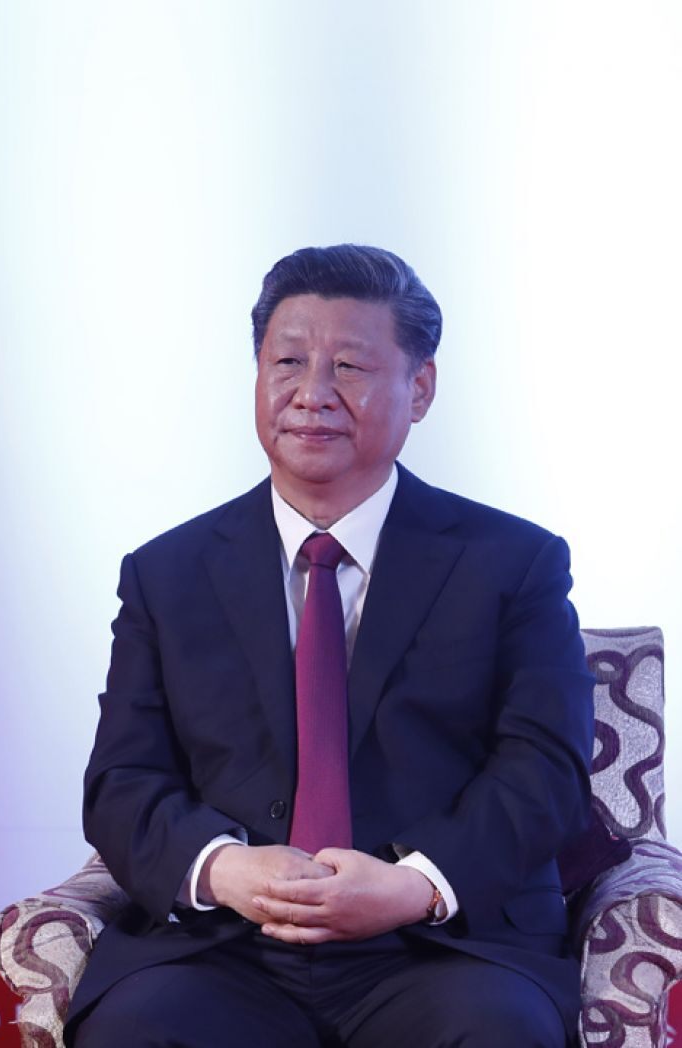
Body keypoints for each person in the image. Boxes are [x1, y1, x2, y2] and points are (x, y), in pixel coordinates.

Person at [68, 244, 594, 1047]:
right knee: (138, 1030)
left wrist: (413, 884)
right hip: (223, 949)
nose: (311, 394)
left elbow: (545, 770)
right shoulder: (165, 574)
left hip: (443, 948)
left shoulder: (512, 564)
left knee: (496, 1031)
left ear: (419, 389)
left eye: (349, 366)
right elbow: (122, 780)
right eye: (287, 361)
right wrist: (223, 869)